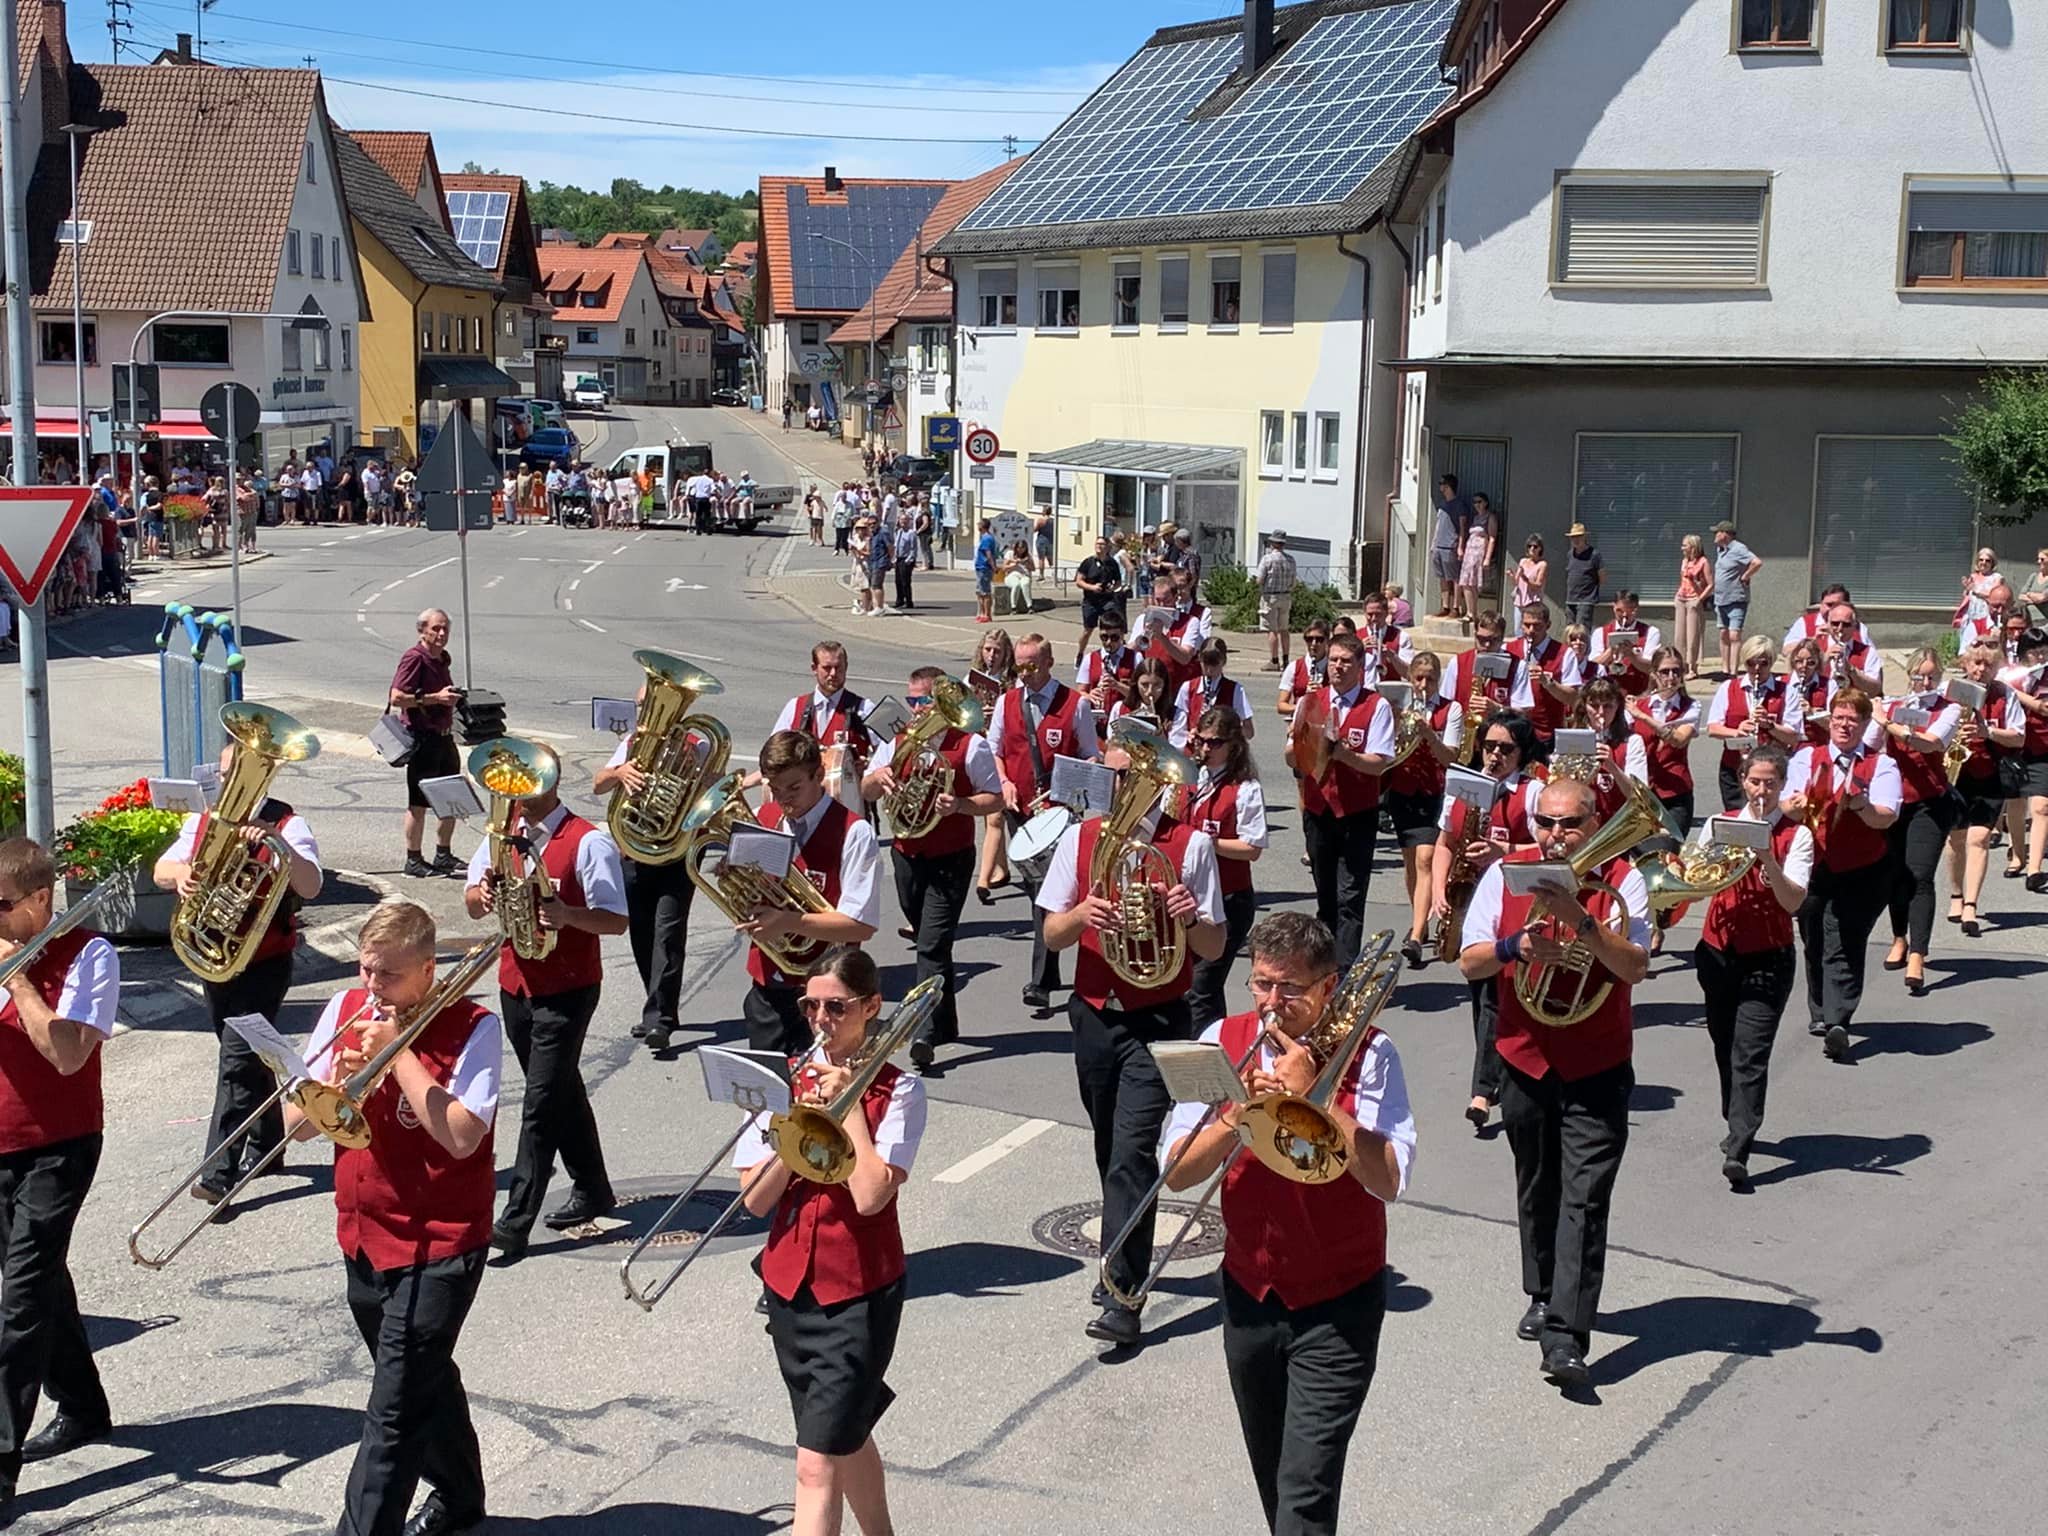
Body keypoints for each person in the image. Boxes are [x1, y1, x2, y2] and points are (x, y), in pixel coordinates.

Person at [1160, 912, 1414, 1536]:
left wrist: (1319, 1100)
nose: (1272, 1004)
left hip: (1339, 1301)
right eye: (1262, 984)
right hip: (1249, 1294)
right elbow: (1177, 1173)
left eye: (1290, 989)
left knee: (1306, 1488)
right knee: (1276, 1477)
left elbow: (1390, 1180)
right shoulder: (1223, 1037)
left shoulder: (1372, 1053)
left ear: (1329, 987)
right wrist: (1237, 1113)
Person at [290, 901, 499, 1536]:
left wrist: (397, 1055)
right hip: (364, 1235)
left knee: (392, 1413)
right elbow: (294, 1129)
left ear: (428, 970)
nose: (371, 989)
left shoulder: (475, 1028)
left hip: (441, 1244)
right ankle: (461, 1497)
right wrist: (336, 1083)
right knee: (418, 1381)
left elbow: (462, 1136)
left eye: (387, 977)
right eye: (365, 970)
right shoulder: (343, 1011)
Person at [1460, 776, 1651, 1387]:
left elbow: (1636, 967)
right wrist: (1518, 946)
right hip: (1525, 1056)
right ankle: (1541, 1290)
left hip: (1597, 1063)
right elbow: (1469, 960)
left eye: (1569, 824)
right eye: (1546, 822)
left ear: (1594, 824)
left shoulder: (1623, 880)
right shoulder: (1507, 874)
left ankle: (1567, 1335)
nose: (1555, 835)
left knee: (1585, 1196)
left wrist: (1583, 924)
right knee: (1537, 1182)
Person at [1040, 746, 1226, 1347]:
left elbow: (1214, 946)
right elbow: (1050, 933)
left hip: (1158, 1019)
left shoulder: (1190, 845)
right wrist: (1082, 915)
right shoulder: (1082, 837)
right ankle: (1121, 1243)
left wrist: (1190, 916)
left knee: (1133, 1151)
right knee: (1107, 1144)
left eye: (1129, 775)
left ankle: (1125, 1292)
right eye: (1115, 775)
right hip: (1095, 1015)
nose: (1120, 784)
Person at [736, 948, 924, 1536]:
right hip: (790, 1287)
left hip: (859, 1294)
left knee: (814, 1463)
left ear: (871, 1007)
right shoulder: (783, 1082)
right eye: (810, 1005)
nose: (820, 1019)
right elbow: (755, 1200)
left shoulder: (901, 1091)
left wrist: (848, 1110)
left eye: (836, 1007)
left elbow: (871, 1195)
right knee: (846, 1436)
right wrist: (795, 1133)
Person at [462, 754, 628, 1264]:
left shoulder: (588, 840)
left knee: (538, 1106)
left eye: (525, 785)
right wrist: (482, 894)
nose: (515, 795)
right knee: (561, 1091)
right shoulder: (502, 832)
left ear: (551, 786)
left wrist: (568, 914)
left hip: (569, 988)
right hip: (518, 982)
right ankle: (594, 1189)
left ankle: (514, 1223)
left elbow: (615, 920)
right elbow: (470, 899)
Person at [0, 838, 119, 1507]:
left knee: (18, 1301)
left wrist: (18, 977)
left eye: (2, 906)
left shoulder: (89, 956)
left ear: (40, 900)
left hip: (60, 1143)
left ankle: (0, 1462)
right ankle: (82, 1404)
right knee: (38, 1279)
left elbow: (68, 1055)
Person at [152, 752, 323, 1203]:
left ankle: (218, 1173)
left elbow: (311, 885)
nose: (229, 781)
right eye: (227, 773)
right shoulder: (207, 820)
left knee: (235, 1063)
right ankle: (267, 1144)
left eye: (239, 772)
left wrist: (276, 844)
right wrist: (183, 874)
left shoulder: (288, 823)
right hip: (215, 956)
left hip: (264, 960)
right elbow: (161, 869)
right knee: (250, 1056)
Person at [861, 668, 1003, 1071]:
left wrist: (959, 805)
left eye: (924, 700)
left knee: (930, 946)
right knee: (931, 942)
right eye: (913, 701)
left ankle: (922, 1031)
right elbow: (867, 789)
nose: (918, 709)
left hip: (951, 859)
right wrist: (878, 777)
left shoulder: (971, 746)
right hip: (907, 854)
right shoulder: (899, 741)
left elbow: (994, 800)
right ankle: (945, 1022)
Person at [1695, 746, 1811, 1189]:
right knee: (1724, 1043)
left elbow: (1794, 901)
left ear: (1783, 787)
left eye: (1771, 783)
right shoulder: (1718, 823)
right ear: (1743, 781)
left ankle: (1740, 1143)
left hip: (1768, 956)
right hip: (1718, 949)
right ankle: (1735, 1114)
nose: (1762, 790)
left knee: (1750, 1053)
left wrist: (1767, 858)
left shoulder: (1796, 836)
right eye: (1756, 781)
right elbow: (1699, 874)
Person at [731, 732, 882, 1058]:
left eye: (794, 787)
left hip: (830, 998)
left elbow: (861, 926)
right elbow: (748, 893)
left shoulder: (854, 832)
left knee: (825, 1098)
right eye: (775, 786)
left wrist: (788, 921)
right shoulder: (764, 819)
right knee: (770, 1099)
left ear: (819, 776)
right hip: (768, 989)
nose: (783, 798)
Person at [1434, 709, 1542, 1131]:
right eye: (1489, 745)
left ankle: (1482, 1090)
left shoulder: (1531, 794)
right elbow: (1445, 841)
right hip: (1468, 899)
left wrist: (1504, 853)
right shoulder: (1462, 784)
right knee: (1481, 996)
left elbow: (1542, 850)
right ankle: (1498, 1073)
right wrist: (1440, 891)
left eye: (1506, 749)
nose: (1495, 755)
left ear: (1522, 752)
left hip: (1509, 902)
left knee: (1494, 999)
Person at [1782, 690, 1902, 1061]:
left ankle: (1839, 1021)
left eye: (1853, 720)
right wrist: (1796, 807)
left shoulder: (1881, 765)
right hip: (1815, 866)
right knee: (1813, 937)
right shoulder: (1807, 757)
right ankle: (1821, 1011)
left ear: (1865, 725)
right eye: (1838, 718)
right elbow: (1786, 803)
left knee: (1844, 940)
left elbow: (1887, 816)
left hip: (1862, 870)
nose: (1844, 725)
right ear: (1829, 721)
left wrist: (1861, 804)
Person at [990, 634, 1102, 1010]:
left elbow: (1090, 756)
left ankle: (1039, 981)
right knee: (1035, 892)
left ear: (1049, 661)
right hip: (1019, 810)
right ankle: (1049, 967)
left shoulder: (1075, 705)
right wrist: (1004, 782)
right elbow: (994, 750)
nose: (1026, 672)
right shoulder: (1007, 702)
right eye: (1020, 664)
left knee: (1045, 894)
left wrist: (1072, 788)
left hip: (1059, 817)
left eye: (1032, 664)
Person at [593, 707, 702, 1054]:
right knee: (642, 935)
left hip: (675, 854)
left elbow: (714, 790)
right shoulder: (632, 745)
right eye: (643, 707)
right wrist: (621, 773)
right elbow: (598, 785)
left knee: (667, 936)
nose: (649, 713)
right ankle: (657, 1006)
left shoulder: (695, 746)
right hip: (636, 853)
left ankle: (661, 1019)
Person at [1284, 633, 1395, 966]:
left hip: (1357, 813)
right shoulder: (1309, 701)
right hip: (1318, 811)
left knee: (1350, 897)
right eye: (1333, 659)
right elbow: (1291, 759)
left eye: (1346, 661)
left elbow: (1379, 764)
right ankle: (1324, 967)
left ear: (1360, 667)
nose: (1338, 667)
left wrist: (1343, 755)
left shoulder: (1376, 706)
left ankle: (1345, 971)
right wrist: (1296, 750)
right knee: (1326, 896)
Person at [1874, 651, 1961, 995]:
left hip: (1931, 802)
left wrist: (1888, 724)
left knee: (1920, 875)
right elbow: (1870, 746)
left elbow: (1932, 742)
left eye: (1931, 677)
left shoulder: (1948, 708)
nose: (1925, 683)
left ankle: (1918, 955)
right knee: (1896, 874)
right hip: (1896, 801)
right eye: (1919, 677)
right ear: (1909, 676)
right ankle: (1899, 937)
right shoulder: (1894, 706)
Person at [1179, 708, 1268, 1027]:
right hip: (1192, 899)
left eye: (1214, 743)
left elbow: (1252, 848)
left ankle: (1202, 1056)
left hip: (1230, 900)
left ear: (1233, 744)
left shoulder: (1245, 788)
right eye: (1201, 741)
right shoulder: (1192, 776)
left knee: (1202, 987)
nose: (1205, 748)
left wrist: (1206, 842)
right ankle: (1216, 1044)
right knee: (1196, 985)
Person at [1385, 650, 1462, 969]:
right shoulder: (1400, 707)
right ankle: (1421, 917)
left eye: (1430, 678)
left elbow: (1451, 758)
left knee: (1426, 858)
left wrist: (1430, 734)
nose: (1424, 684)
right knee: (1410, 863)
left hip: (1435, 791)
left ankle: (1415, 936)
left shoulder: (1451, 709)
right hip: (1403, 791)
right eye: (1419, 677)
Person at [1946, 644, 2022, 934]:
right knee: (1955, 840)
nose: (1980, 670)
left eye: (1987, 665)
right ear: (1966, 664)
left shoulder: (2005, 694)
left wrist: (1987, 732)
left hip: (1990, 775)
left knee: (1978, 838)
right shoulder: (1950, 690)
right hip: (1956, 773)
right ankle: (1956, 893)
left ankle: (1971, 906)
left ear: (1995, 669)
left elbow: (2018, 737)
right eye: (1976, 663)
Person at [389, 609, 463, 878]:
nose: (441, 634)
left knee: (451, 800)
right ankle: (414, 860)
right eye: (436, 629)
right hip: (423, 741)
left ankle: (443, 855)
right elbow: (397, 697)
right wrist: (435, 698)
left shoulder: (442, 659)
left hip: (444, 738)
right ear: (422, 631)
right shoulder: (414, 658)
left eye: (445, 629)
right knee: (418, 803)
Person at [772, 642, 875, 813]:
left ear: (846, 667)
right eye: (827, 668)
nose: (833, 674)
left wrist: (869, 766)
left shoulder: (865, 708)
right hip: (803, 809)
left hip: (848, 808)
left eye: (839, 668)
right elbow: (774, 755)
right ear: (814, 668)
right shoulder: (795, 707)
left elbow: (893, 752)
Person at [970, 628, 1018, 904]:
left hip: (1004, 751)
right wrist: (978, 714)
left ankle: (983, 879)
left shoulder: (1013, 682)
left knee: (995, 815)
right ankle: (1001, 867)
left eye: (997, 651)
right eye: (988, 649)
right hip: (981, 747)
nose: (991, 655)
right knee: (992, 814)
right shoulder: (972, 679)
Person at [1630, 647, 1700, 836]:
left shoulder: (1692, 706)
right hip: (1643, 793)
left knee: (1671, 852)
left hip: (1676, 794)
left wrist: (1642, 717)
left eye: (1676, 671)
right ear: (1654, 675)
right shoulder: (1638, 705)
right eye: (1665, 672)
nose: (1671, 677)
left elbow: (1678, 739)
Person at [1506, 601, 1581, 754]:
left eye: (1537, 626)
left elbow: (1573, 698)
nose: (1531, 631)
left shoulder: (1564, 653)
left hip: (1545, 735)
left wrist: (1549, 683)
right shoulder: (1507, 649)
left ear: (1548, 625)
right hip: (1512, 732)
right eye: (1526, 625)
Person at [1135, 571, 1210, 698]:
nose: (1162, 605)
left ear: (1176, 598)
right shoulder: (1143, 619)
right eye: (1158, 600)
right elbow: (1133, 651)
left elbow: (1185, 658)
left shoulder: (1190, 621)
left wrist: (1161, 637)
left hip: (1179, 690)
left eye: (1167, 600)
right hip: (1153, 690)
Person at [1170, 639, 1256, 750]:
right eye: (1205, 663)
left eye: (1214, 664)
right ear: (1199, 660)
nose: (1209, 670)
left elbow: (1249, 732)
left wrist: (1227, 734)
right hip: (1194, 754)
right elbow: (1178, 729)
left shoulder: (1235, 690)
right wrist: (1188, 736)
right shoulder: (1188, 687)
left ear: (1224, 661)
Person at [1712, 520, 1763, 678]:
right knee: (1723, 634)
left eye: (1717, 532)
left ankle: (1734, 671)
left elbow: (1756, 562)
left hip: (1736, 599)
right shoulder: (1721, 550)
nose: (1715, 535)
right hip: (1721, 599)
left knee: (1734, 635)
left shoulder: (1738, 549)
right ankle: (1725, 669)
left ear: (1725, 534)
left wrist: (1746, 575)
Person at [1591, 591, 1659, 697]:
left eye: (1630, 611)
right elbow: (1592, 667)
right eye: (1619, 611)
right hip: (1608, 694)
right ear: (1613, 607)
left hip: (1639, 693)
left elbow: (1651, 668)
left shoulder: (1651, 632)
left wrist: (1632, 656)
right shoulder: (1600, 632)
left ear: (1636, 609)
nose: (1624, 615)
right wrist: (1610, 652)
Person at [1256, 531, 1299, 672]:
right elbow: (1294, 582)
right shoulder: (1291, 560)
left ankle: (1274, 660)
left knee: (1271, 630)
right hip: (1286, 596)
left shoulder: (1267, 559)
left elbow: (1259, 579)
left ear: (1273, 543)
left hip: (1270, 597)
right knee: (1284, 629)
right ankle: (1286, 659)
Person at [1674, 534, 1713, 679]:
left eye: (1685, 545)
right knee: (1680, 636)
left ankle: (1693, 667)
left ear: (1693, 547)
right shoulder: (1684, 561)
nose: (1682, 548)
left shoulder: (1703, 562)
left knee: (1693, 636)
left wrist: (1700, 599)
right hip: (1681, 598)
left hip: (1694, 600)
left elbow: (1710, 585)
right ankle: (1681, 666)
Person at [1431, 475, 1468, 618]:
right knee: (1442, 577)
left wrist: (1460, 545)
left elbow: (1462, 526)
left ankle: (1456, 607)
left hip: (1450, 546)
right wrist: (1434, 543)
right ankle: (1445, 605)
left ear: (1448, 486)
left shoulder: (1459, 505)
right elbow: (1438, 525)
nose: (1440, 486)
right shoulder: (1442, 504)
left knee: (1454, 577)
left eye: (1442, 484)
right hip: (1438, 545)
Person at [1457, 493, 1495, 620]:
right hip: (1470, 551)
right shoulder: (1475, 518)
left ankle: (1472, 612)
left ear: (1485, 502)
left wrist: (1487, 558)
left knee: (1473, 582)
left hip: (1479, 552)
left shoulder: (1490, 517)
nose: (1476, 505)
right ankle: (1470, 611)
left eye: (1479, 502)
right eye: (1474, 502)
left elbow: (1492, 538)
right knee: (1466, 582)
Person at [1561, 523, 1603, 629]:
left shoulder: (1594, 554)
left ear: (1584, 537)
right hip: (1570, 599)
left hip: (1586, 600)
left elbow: (1602, 576)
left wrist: (1592, 592)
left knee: (1582, 630)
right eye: (1573, 537)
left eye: (1578, 536)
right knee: (1570, 630)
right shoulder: (1570, 554)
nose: (1575, 540)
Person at [1954, 546, 2002, 628]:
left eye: (1987, 561)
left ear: (1992, 563)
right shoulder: (1973, 576)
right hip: (1971, 614)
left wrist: (1975, 590)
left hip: (1988, 616)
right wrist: (1967, 589)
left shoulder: (1997, 577)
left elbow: (1994, 596)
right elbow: (1967, 596)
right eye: (1981, 560)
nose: (1984, 562)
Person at [973, 519, 1000, 624]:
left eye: (979, 525)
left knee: (985, 592)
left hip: (985, 568)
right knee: (979, 592)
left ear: (982, 527)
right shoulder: (984, 538)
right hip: (979, 567)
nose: (977, 526)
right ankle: (981, 613)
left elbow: (988, 554)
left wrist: (993, 567)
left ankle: (987, 614)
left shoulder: (987, 539)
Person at [891, 514, 919, 612]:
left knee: (905, 581)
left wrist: (909, 560)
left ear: (909, 521)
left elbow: (913, 548)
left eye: (905, 520)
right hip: (898, 558)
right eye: (901, 520)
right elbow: (896, 545)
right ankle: (899, 600)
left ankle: (909, 601)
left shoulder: (911, 533)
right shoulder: (899, 532)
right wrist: (894, 558)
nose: (903, 522)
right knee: (897, 581)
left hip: (906, 559)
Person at [1000, 539, 1035, 615]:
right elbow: (1003, 568)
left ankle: (1030, 606)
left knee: (1025, 584)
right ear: (1016, 547)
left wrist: (1026, 563)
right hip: (1012, 575)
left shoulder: (1028, 556)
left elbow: (1033, 568)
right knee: (1016, 585)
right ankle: (1013, 607)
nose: (1020, 550)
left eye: (1023, 548)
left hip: (1024, 575)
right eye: (1019, 548)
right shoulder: (1010, 554)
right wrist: (1013, 565)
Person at [1513, 535, 1547, 611]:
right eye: (1529, 546)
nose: (1532, 548)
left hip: (1533, 603)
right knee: (1517, 623)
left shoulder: (1542, 564)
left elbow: (1538, 585)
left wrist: (1526, 579)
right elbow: (1516, 582)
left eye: (1535, 546)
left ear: (1540, 548)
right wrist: (1511, 575)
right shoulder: (1522, 561)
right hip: (1520, 602)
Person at [1032, 506, 1055, 579]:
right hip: (1050, 541)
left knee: (1041, 558)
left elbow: (1035, 530)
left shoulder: (1041, 520)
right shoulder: (1053, 521)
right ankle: (1054, 573)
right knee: (1050, 558)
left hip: (1041, 540)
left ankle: (1041, 575)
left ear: (1044, 511)